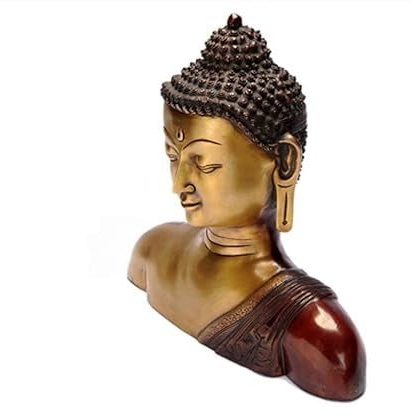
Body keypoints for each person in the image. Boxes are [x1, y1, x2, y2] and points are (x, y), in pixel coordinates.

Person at [128, 14, 366, 401]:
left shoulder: (318, 331)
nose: (178, 184)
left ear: (284, 162)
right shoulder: (152, 251)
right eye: (173, 156)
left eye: (205, 164)